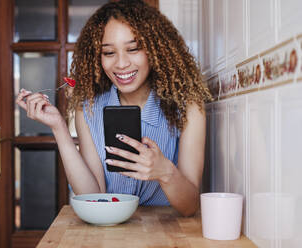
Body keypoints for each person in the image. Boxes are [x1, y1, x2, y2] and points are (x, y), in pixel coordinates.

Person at [16, 0, 212, 216]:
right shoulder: (88, 108)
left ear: (157, 50)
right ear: (97, 58)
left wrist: (165, 172)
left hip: (166, 233)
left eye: (133, 49)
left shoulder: (188, 107)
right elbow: (93, 195)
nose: (121, 63)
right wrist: (58, 128)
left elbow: (190, 206)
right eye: (109, 53)